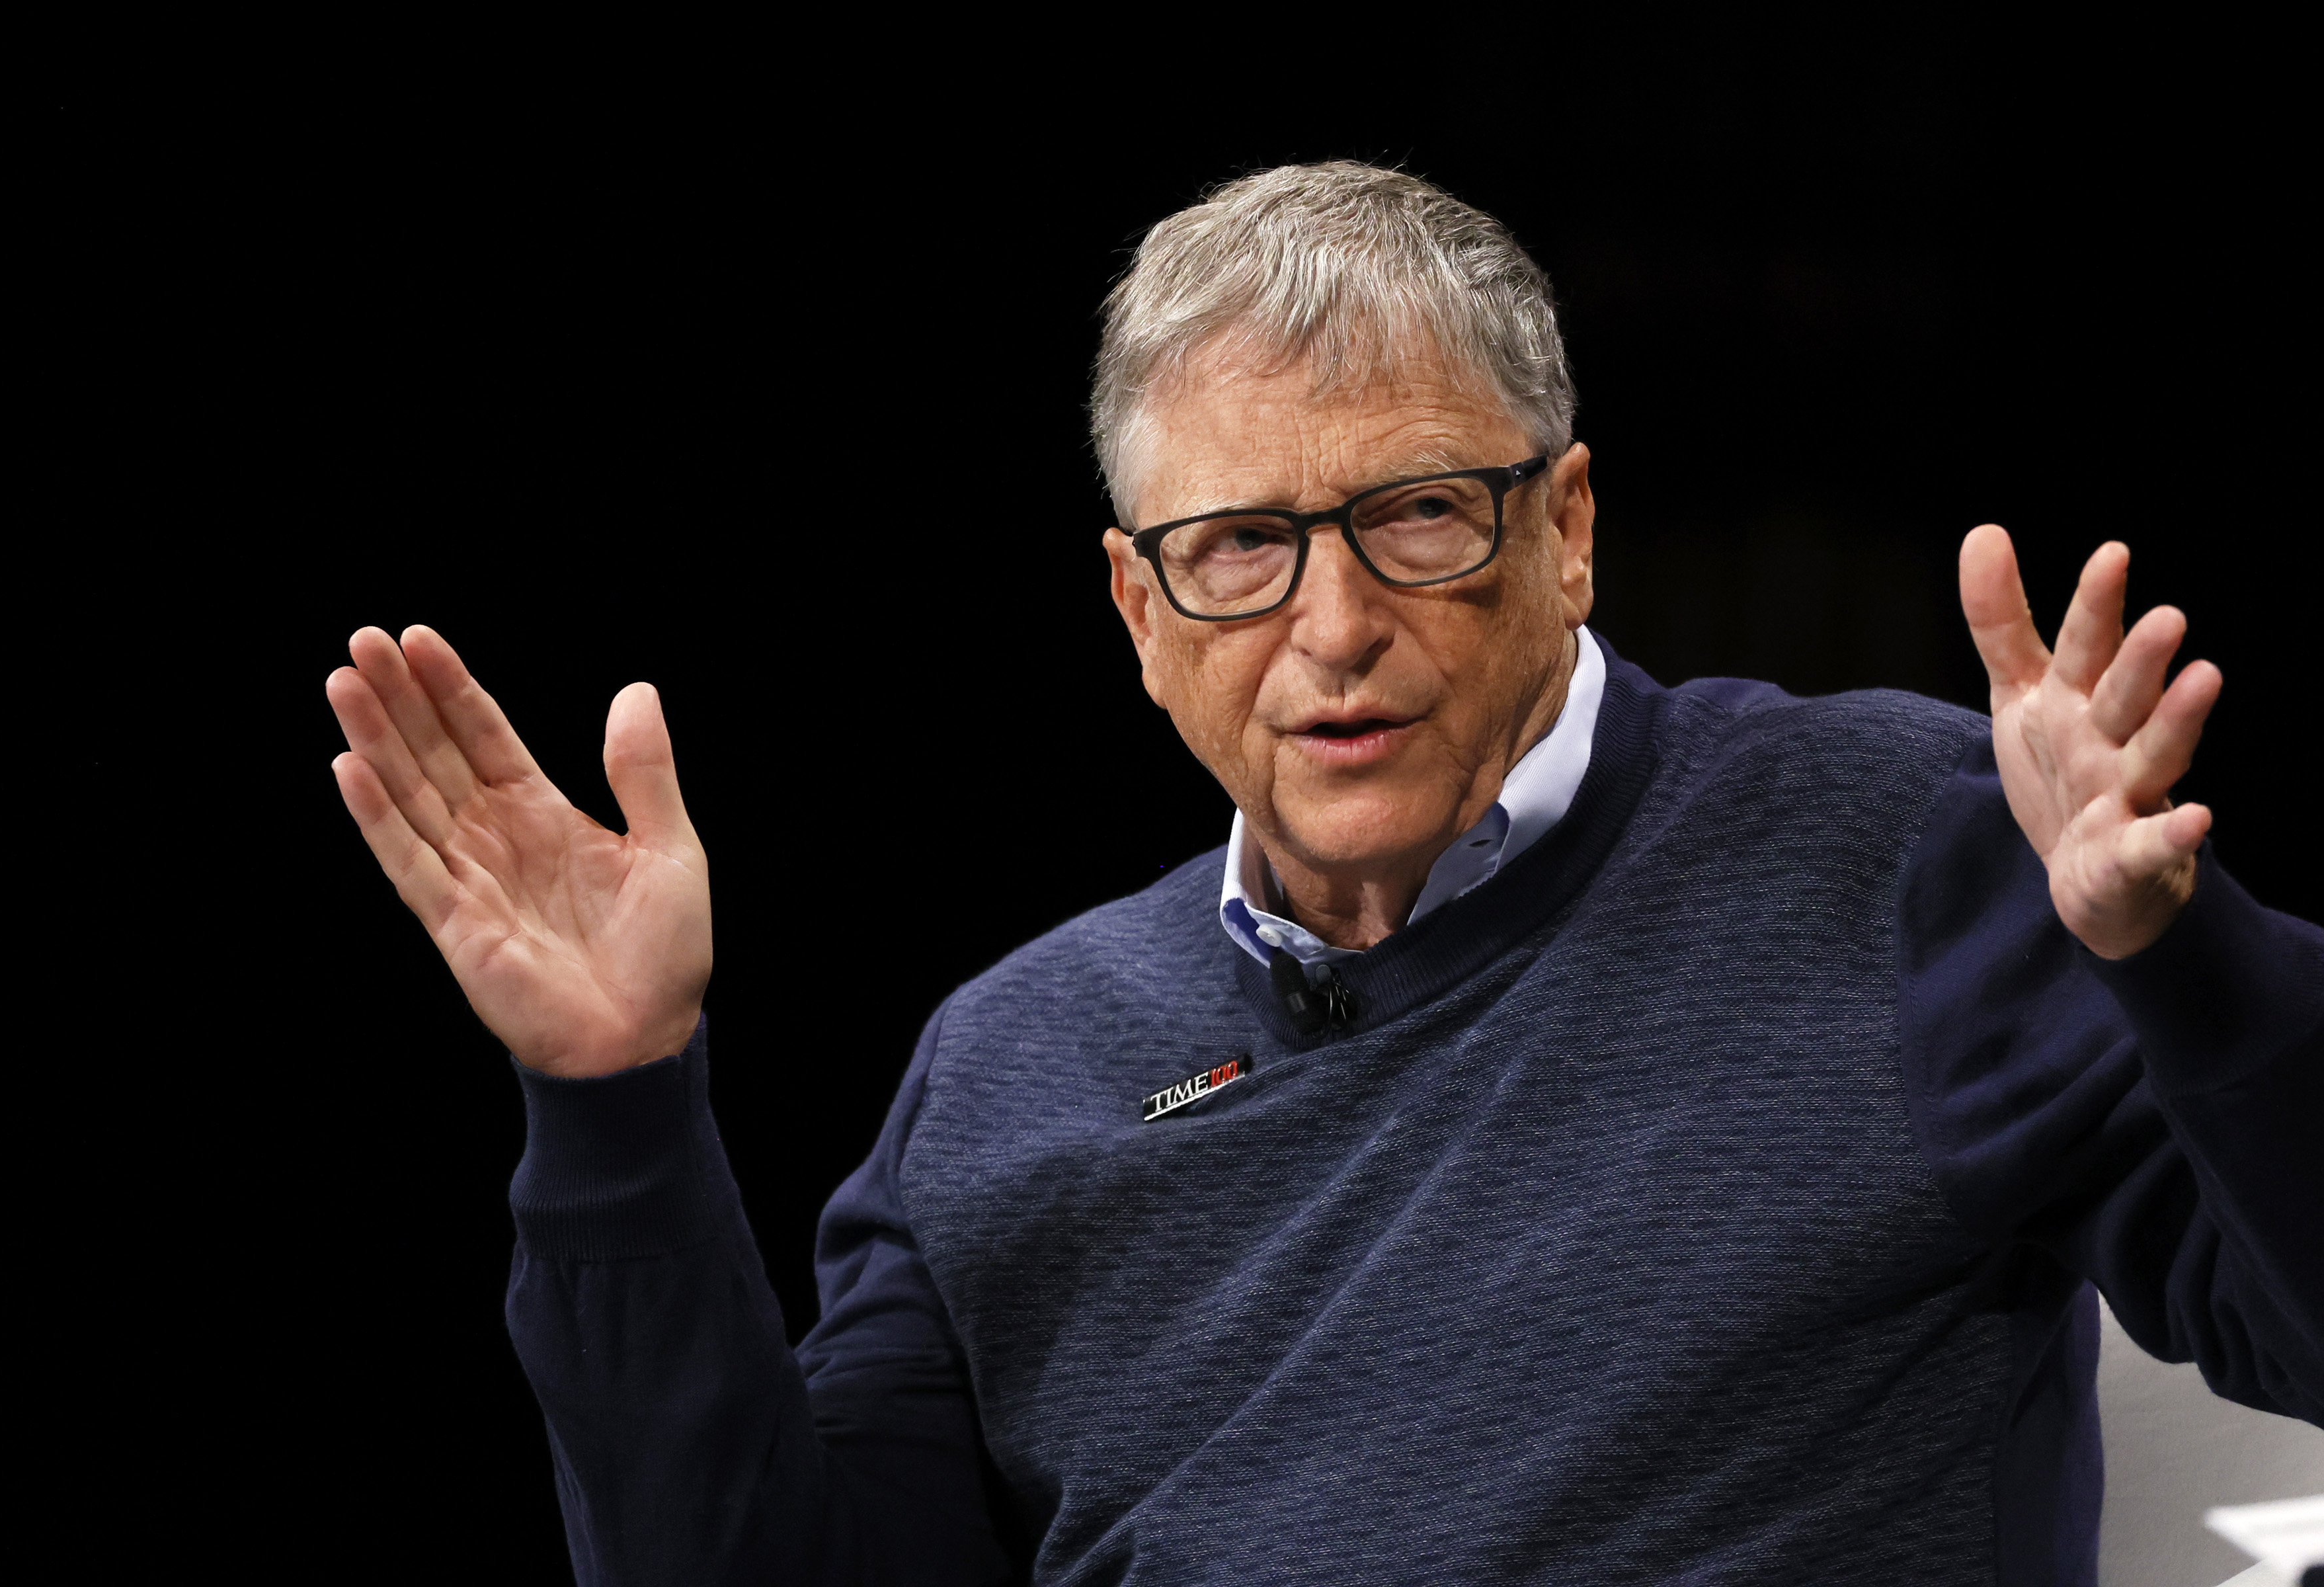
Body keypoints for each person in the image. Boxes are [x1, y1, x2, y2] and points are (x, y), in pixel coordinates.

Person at [324, 164, 2321, 1585]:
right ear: (1136, 603)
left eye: (1419, 517)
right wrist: (610, 1113)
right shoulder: (1004, 1066)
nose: (1333, 625)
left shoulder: (1908, 845)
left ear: (1570, 531)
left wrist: (2187, 964)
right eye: (1240, 549)